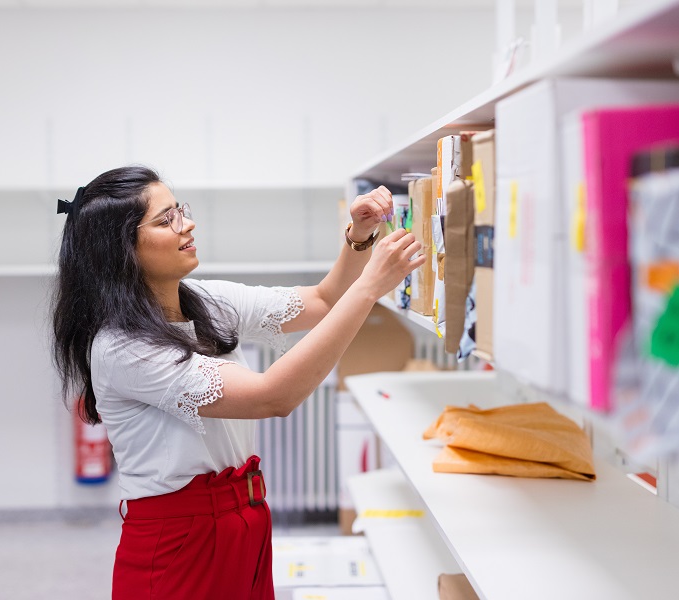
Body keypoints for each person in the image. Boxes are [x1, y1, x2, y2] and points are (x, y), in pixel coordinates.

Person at [51, 165, 424, 599]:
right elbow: (272, 397)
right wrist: (369, 289)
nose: (187, 224)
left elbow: (322, 301)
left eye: (180, 210)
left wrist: (359, 238)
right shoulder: (122, 348)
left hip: (244, 519)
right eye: (165, 219)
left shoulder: (206, 301)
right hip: (178, 544)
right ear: (122, 250)